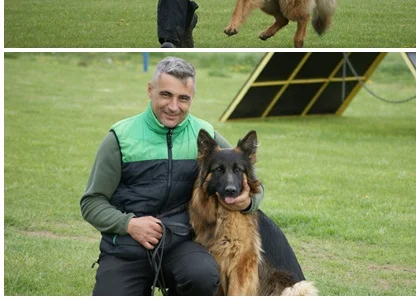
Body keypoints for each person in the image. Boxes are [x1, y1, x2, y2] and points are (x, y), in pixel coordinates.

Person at [81, 57, 307, 295]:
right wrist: (128, 224)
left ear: (192, 98)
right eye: (166, 95)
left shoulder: (205, 135)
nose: (173, 106)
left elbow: (247, 177)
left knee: (202, 274)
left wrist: (249, 201)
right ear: (150, 90)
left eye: (183, 98)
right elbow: (91, 202)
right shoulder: (120, 137)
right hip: (127, 248)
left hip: (181, 245)